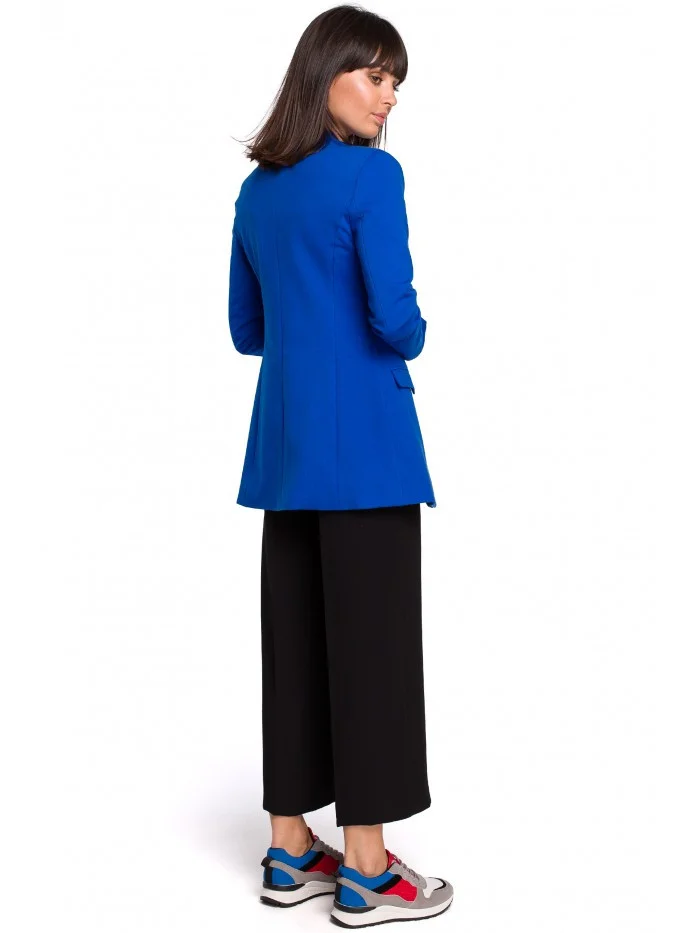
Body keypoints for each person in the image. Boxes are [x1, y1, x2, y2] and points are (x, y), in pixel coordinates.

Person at [227, 5, 454, 926]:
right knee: (374, 652)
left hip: (285, 454)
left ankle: (289, 849)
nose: (388, 95)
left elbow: (247, 330)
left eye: (395, 81)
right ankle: (366, 869)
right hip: (366, 450)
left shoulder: (256, 192)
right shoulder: (371, 175)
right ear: (324, 72)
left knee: (296, 649)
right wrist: (415, 331)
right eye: (374, 74)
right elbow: (396, 318)